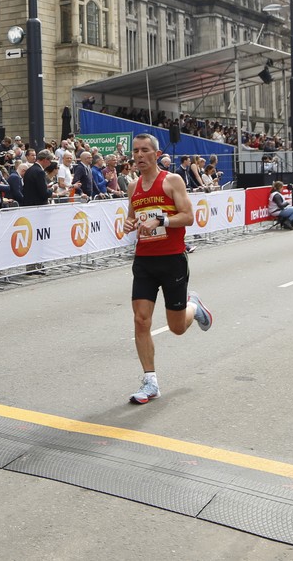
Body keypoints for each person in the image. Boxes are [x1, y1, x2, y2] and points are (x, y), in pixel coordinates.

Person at [124, 133, 212, 405]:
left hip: (172, 259)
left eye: (144, 150)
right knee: (141, 320)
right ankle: (150, 381)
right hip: (144, 260)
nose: (139, 155)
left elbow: (188, 216)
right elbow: (132, 217)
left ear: (156, 153)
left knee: (177, 328)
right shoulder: (133, 186)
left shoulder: (172, 181)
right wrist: (128, 224)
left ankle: (193, 306)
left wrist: (160, 220)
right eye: (136, 151)